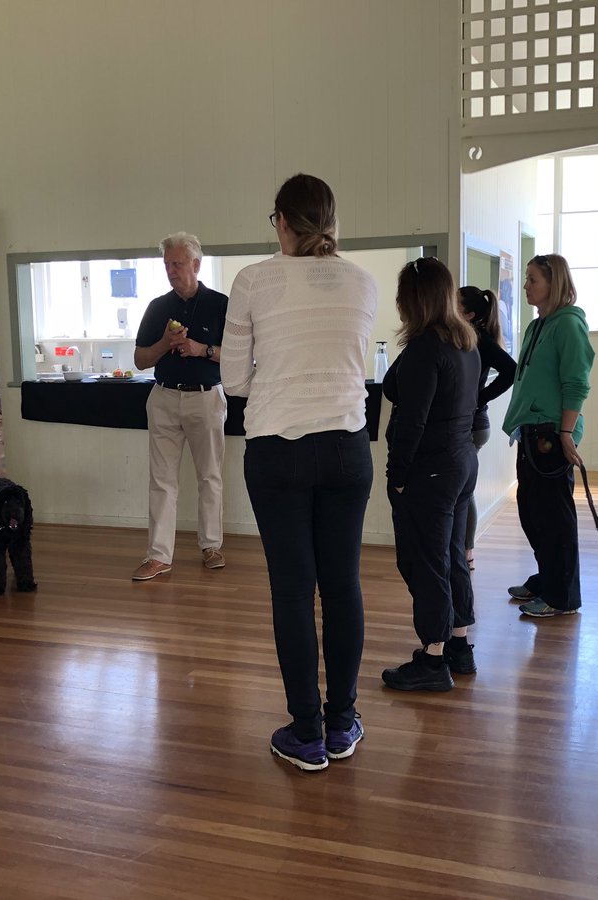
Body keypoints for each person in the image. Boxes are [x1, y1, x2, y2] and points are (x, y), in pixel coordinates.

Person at [222, 174, 378, 771]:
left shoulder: (253, 279)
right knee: (343, 586)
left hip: (278, 449)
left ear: (282, 222)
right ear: (331, 222)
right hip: (346, 444)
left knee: (293, 589)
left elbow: (234, 381)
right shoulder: (362, 282)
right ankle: (342, 723)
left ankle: (306, 733)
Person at [381, 257, 480, 692]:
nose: (398, 303)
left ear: (414, 299)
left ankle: (433, 659)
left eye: (402, 295)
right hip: (461, 464)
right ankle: (459, 644)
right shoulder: (466, 342)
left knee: (425, 563)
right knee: (452, 556)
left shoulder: (425, 348)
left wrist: (397, 473)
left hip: (431, 471)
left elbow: (412, 421)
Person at [131, 232, 229, 581]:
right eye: (167, 264)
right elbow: (140, 359)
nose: (172, 270)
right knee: (161, 479)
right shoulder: (158, 307)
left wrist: (201, 349)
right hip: (165, 397)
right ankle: (158, 556)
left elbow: (239, 356)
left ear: (196, 264)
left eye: (178, 263)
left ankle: (211, 547)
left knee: (210, 475)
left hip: (206, 397)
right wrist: (165, 344)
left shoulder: (220, 304)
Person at [502, 254, 595, 618]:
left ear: (553, 284)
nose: (525, 286)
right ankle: (548, 578)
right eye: (526, 279)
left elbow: (577, 383)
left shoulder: (569, 325)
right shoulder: (538, 325)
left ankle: (563, 597)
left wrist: (567, 433)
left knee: (555, 518)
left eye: (532, 280)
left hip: (551, 436)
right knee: (533, 514)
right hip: (530, 432)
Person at [457, 285, 516, 571]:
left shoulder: (477, 338)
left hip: (472, 425)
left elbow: (511, 370)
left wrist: (479, 398)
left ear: (468, 314)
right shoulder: (467, 335)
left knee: (463, 492)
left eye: (454, 303)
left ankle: (466, 551)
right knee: (461, 491)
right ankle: (463, 549)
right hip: (473, 425)